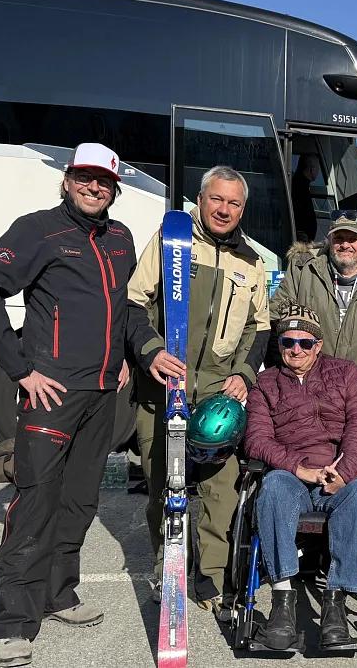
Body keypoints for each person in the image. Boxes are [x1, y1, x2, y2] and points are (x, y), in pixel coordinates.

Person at [0, 143, 154, 667]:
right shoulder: (37, 229)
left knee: (80, 501)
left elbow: (126, 310)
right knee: (35, 505)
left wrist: (131, 353)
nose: (95, 187)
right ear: (68, 179)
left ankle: (56, 593)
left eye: (105, 181)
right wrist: (22, 369)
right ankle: (12, 622)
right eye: (85, 178)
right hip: (53, 394)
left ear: (115, 187)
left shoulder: (120, 238)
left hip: (102, 394)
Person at [126, 164, 270, 615]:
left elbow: (259, 327)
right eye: (217, 199)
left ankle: (211, 574)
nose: (224, 209)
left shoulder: (251, 261)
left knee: (219, 488)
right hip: (166, 382)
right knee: (163, 485)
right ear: (201, 199)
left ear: (243, 209)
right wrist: (150, 351)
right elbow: (133, 302)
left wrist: (244, 373)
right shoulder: (173, 242)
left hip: (216, 389)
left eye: (234, 203)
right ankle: (166, 567)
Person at [244, 303, 357, 650]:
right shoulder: (265, 383)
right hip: (294, 476)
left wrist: (344, 471)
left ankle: (335, 607)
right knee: (272, 485)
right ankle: (282, 604)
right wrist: (297, 467)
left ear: (318, 344)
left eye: (305, 343)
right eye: (288, 342)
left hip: (339, 473)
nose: (295, 350)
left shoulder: (346, 373)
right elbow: (257, 440)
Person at [269, 209, 357, 438]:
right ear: (329, 241)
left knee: (354, 468)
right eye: (339, 238)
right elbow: (277, 318)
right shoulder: (302, 270)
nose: (345, 245)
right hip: (305, 397)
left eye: (353, 239)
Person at [290, 153, 323, 243]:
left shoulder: (301, 184)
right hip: (301, 243)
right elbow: (300, 222)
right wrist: (304, 245)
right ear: (312, 169)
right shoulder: (299, 189)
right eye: (318, 168)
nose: (318, 171)